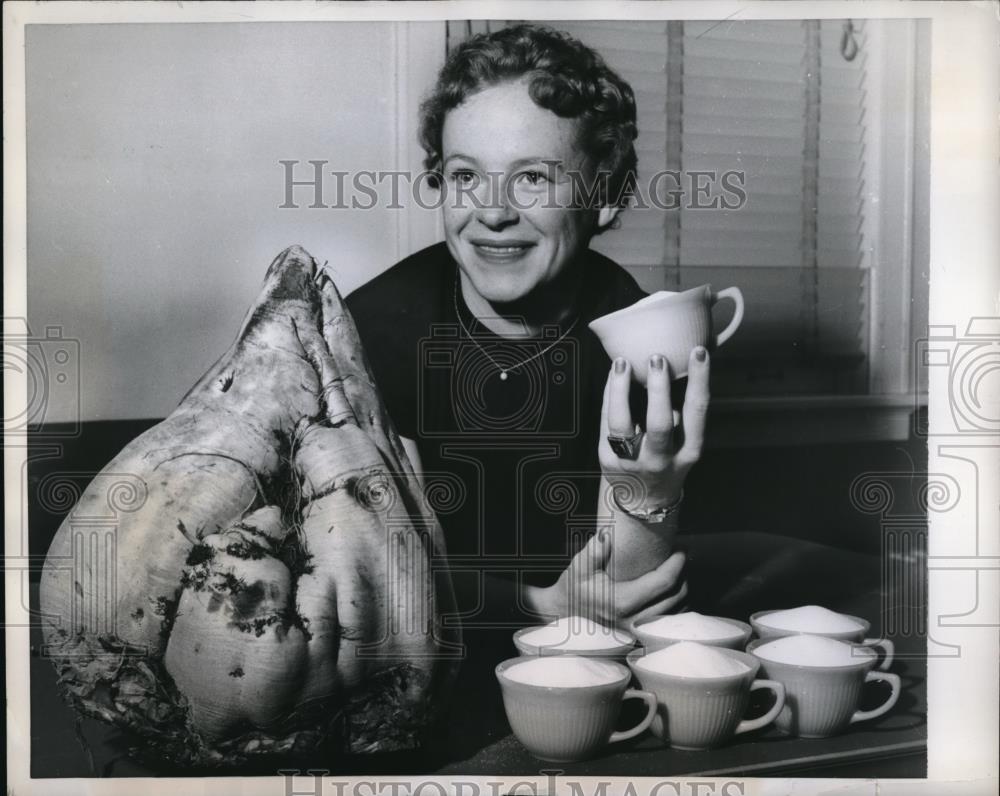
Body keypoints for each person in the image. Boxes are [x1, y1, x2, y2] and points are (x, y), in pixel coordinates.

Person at [347, 25, 706, 654]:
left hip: (580, 672)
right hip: (414, 662)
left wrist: (648, 493)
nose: (491, 212)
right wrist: (537, 605)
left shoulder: (645, 337)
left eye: (533, 178)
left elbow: (625, 604)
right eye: (465, 176)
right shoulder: (372, 328)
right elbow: (366, 580)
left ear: (606, 197)